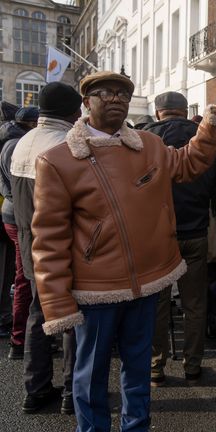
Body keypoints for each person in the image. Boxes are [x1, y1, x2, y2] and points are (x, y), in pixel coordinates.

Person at [30, 71, 216, 430]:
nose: (116, 98)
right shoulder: (57, 161)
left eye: (123, 93)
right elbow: (48, 238)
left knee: (138, 371)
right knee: (90, 377)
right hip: (96, 291)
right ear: (86, 102)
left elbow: (189, 163)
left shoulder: (148, 145)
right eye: (105, 92)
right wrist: (57, 303)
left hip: (147, 284)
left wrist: (209, 125)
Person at [10, 82, 80, 414]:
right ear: (73, 111)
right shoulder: (67, 144)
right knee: (71, 316)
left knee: (39, 314)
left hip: (28, 242)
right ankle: (72, 392)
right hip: (63, 243)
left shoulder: (21, 143)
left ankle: (34, 390)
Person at [144, 91, 216, 386]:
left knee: (158, 305)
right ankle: (193, 366)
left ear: (158, 111)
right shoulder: (203, 137)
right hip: (196, 229)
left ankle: (155, 367)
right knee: (195, 304)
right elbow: (214, 184)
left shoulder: (144, 140)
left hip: (158, 234)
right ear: (184, 110)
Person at [0, 109, 39, 359]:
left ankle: (20, 338)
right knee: (26, 276)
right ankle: (21, 338)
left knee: (23, 274)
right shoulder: (19, 145)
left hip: (12, 213)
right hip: (21, 215)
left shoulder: (8, 142)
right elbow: (22, 188)